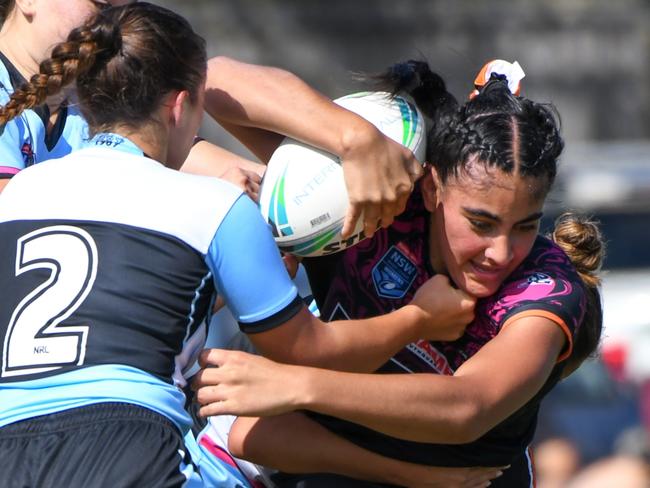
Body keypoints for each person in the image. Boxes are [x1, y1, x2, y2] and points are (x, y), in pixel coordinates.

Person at [0, 5, 481, 487]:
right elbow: (311, 353)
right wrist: (419, 318)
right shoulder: (217, 206)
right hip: (130, 443)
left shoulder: (23, 191)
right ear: (180, 106)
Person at [192, 60, 606, 487]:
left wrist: (295, 383)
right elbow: (211, 80)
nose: (500, 253)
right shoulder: (376, 211)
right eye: (481, 224)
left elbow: (468, 407)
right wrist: (355, 139)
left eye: (525, 226)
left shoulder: (544, 287)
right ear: (431, 189)